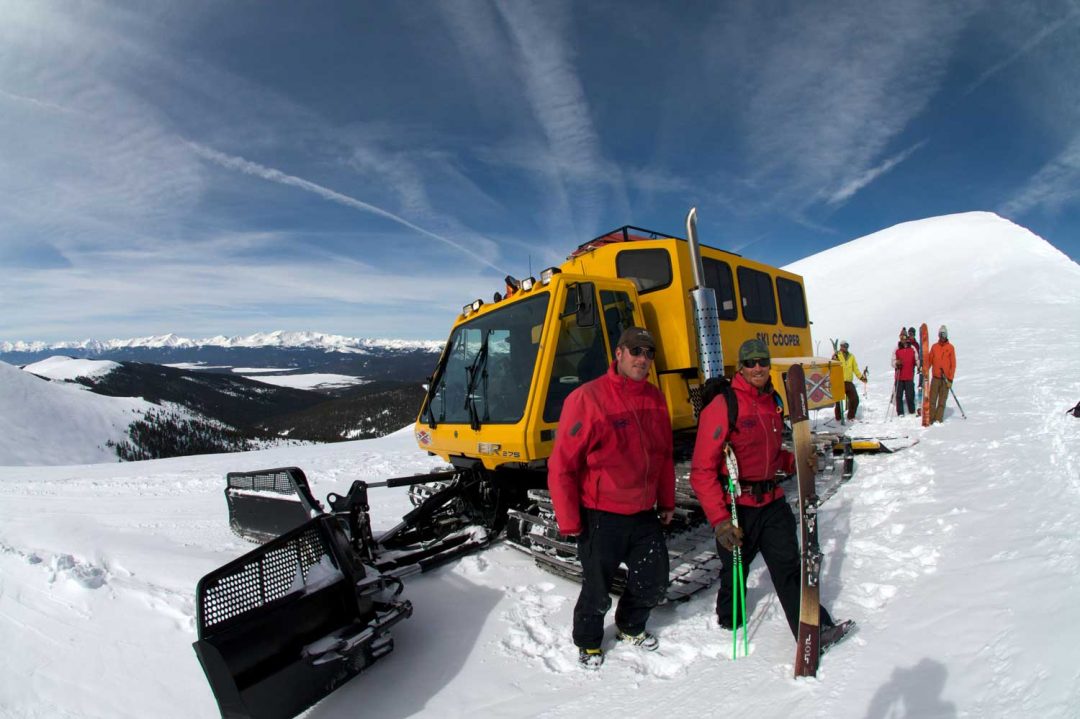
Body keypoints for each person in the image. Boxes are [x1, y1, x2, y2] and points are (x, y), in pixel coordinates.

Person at [690, 339, 848, 649]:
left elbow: (772, 455)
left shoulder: (772, 401)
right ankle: (728, 617)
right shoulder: (723, 406)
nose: (758, 368)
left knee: (788, 567)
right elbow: (702, 471)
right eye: (750, 363)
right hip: (738, 505)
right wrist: (720, 521)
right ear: (741, 367)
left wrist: (797, 460)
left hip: (771, 502)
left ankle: (815, 630)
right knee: (735, 567)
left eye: (763, 361)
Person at [548, 326, 675, 669]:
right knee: (597, 589)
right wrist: (569, 520)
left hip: (643, 512)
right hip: (601, 515)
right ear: (619, 353)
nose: (642, 359)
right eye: (636, 351)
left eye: (649, 353)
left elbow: (663, 455)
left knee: (654, 581)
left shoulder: (654, 397)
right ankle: (588, 642)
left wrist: (666, 501)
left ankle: (630, 626)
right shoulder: (588, 399)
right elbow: (562, 464)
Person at [927, 325, 956, 424]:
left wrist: (950, 379)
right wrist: (925, 370)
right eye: (940, 334)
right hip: (936, 378)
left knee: (942, 400)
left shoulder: (950, 348)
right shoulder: (934, 347)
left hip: (945, 379)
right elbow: (930, 360)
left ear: (946, 335)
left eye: (943, 335)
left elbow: (953, 365)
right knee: (932, 399)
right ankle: (931, 418)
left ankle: (938, 419)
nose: (942, 337)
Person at [832, 340, 867, 421]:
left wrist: (862, 378)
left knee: (855, 399)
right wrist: (834, 359)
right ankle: (838, 419)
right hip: (839, 381)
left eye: (847, 346)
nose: (845, 348)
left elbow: (855, 369)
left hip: (848, 382)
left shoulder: (851, 356)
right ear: (841, 346)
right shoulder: (837, 355)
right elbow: (833, 367)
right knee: (838, 402)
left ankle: (851, 416)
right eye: (844, 346)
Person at [894, 335, 917, 416]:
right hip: (899, 376)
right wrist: (896, 363)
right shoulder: (897, 349)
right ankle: (900, 412)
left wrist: (919, 366)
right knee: (899, 395)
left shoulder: (912, 348)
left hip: (909, 375)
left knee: (910, 395)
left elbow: (916, 359)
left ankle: (912, 410)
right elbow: (892, 361)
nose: (903, 341)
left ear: (907, 339)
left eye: (904, 339)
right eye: (901, 339)